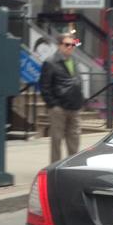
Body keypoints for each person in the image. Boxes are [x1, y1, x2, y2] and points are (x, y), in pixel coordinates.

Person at [39, 33, 84, 163]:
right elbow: (44, 86)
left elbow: (77, 80)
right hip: (59, 108)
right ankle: (55, 166)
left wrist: (80, 101)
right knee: (57, 138)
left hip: (74, 106)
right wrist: (53, 105)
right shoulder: (50, 62)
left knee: (74, 138)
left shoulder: (74, 61)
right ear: (60, 46)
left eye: (73, 44)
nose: (70, 47)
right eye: (67, 44)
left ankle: (71, 166)